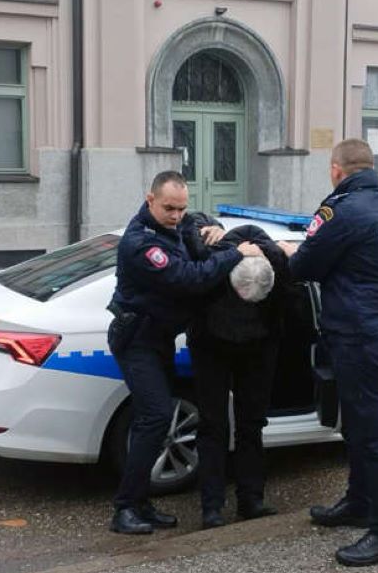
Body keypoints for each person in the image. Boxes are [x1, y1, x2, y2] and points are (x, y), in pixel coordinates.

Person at [278, 138, 378, 567]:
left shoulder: (340, 211)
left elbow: (302, 267)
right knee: (359, 430)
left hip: (360, 338)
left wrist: (290, 254)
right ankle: (359, 503)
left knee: (373, 437)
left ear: (336, 170)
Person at [107, 171, 263, 535]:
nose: (177, 216)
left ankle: (141, 504)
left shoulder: (172, 226)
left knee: (153, 420)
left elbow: (195, 224)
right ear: (149, 200)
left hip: (158, 338)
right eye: (169, 208)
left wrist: (213, 228)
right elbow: (189, 278)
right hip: (138, 340)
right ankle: (125, 508)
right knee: (156, 417)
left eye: (181, 208)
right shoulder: (141, 243)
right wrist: (235, 253)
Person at [186, 223, 290, 530]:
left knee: (251, 425)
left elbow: (300, 274)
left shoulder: (275, 262)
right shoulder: (214, 256)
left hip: (258, 348)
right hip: (212, 345)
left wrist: (274, 250)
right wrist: (210, 230)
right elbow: (190, 226)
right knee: (212, 425)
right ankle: (212, 507)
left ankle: (250, 500)